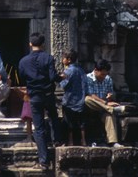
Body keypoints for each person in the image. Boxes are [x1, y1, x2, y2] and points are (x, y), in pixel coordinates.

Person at [19, 32, 62, 170]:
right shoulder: (48, 58)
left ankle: (43, 160)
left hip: (34, 96)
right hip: (48, 94)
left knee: (39, 128)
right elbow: (52, 76)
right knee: (54, 118)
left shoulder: (24, 61)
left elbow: (21, 75)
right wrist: (60, 77)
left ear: (30, 44)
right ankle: (57, 142)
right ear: (43, 44)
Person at [85, 59, 126, 147]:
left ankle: (113, 142)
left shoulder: (108, 79)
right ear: (96, 70)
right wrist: (106, 103)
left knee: (109, 115)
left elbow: (111, 94)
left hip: (103, 108)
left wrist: (110, 96)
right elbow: (91, 95)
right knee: (87, 99)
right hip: (92, 106)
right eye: (102, 74)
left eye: (105, 74)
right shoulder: (88, 78)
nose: (103, 76)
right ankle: (111, 109)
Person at [60, 49, 87, 146]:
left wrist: (61, 77)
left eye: (64, 58)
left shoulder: (68, 71)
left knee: (69, 123)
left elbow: (63, 85)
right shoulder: (81, 70)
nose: (62, 60)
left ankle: (70, 141)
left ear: (69, 60)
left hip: (70, 100)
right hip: (81, 100)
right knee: (81, 123)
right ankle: (83, 141)